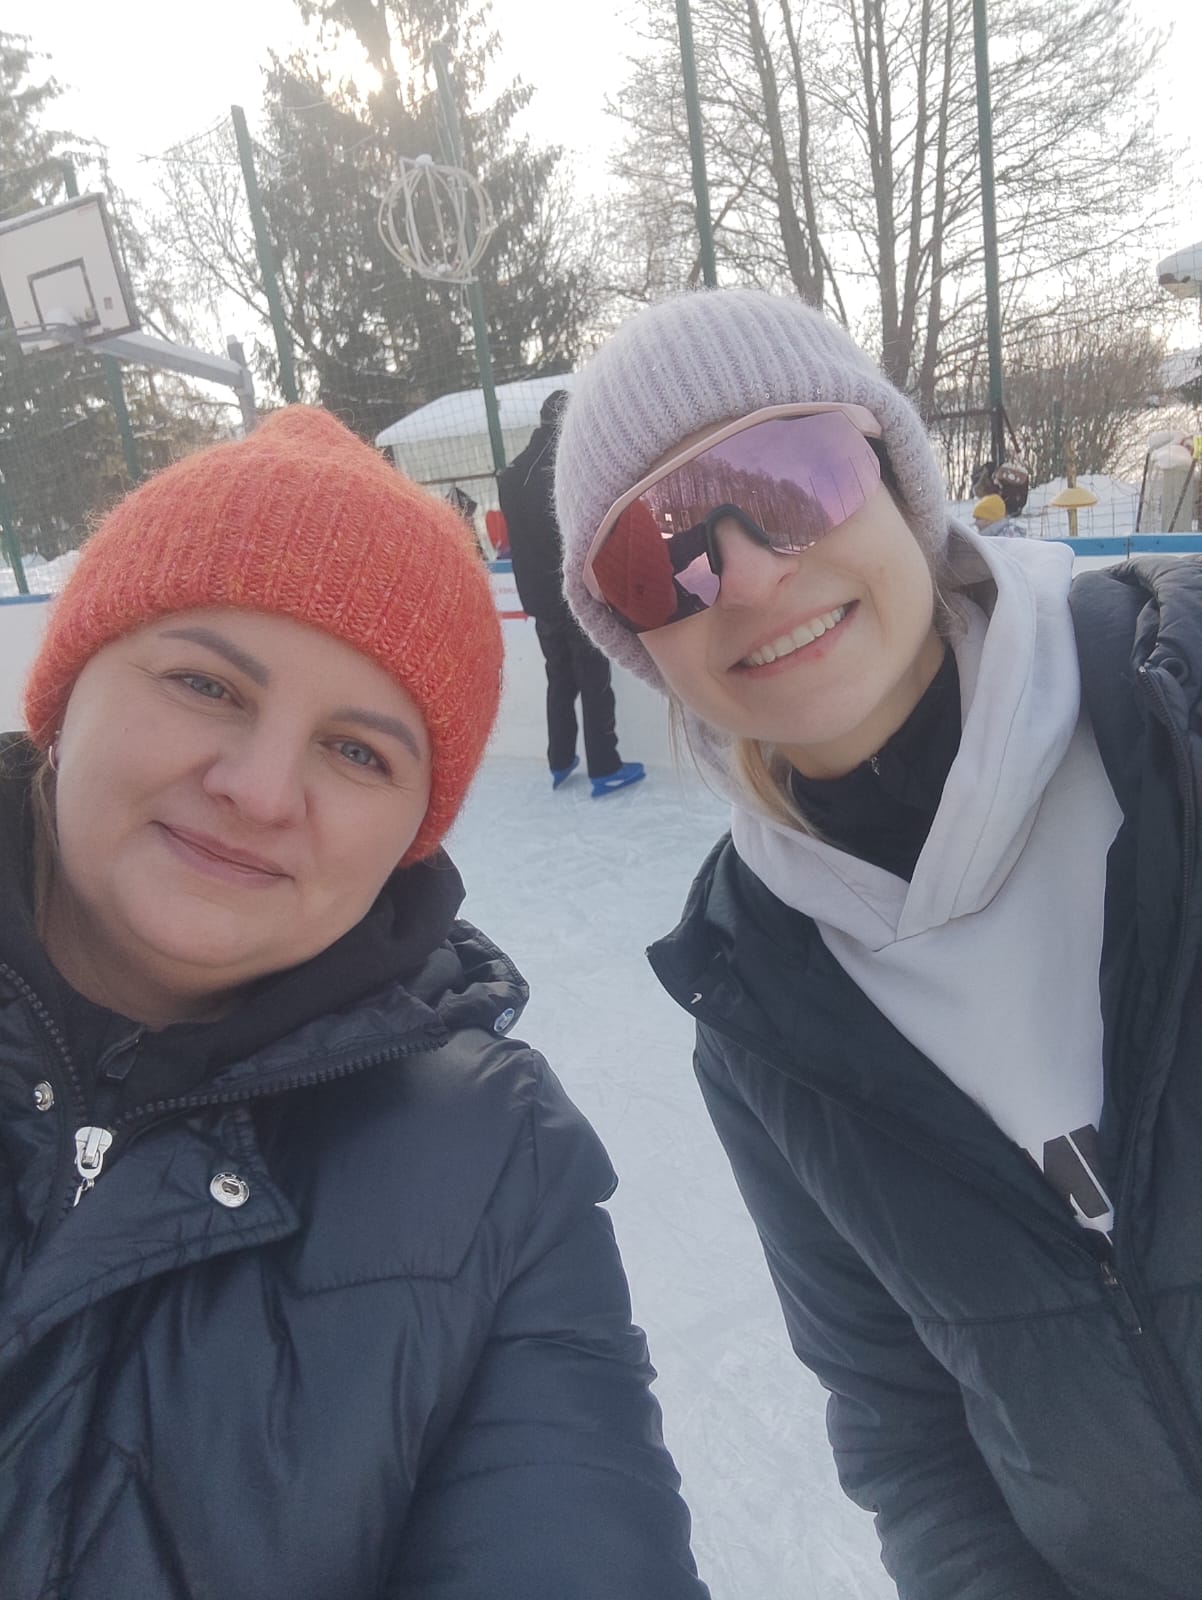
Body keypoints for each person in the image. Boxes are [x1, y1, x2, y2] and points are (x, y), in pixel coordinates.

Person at [553, 288, 1202, 1600]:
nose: (745, 573)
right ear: (638, 641)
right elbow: (904, 1429)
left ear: (899, 478)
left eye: (792, 476)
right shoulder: (752, 1005)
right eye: (658, 557)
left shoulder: (1177, 708)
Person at [0, 408, 708, 1600]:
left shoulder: (491, 1165)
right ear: (65, 696)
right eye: (204, 683)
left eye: (358, 752)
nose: (261, 789)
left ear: (409, 840)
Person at [497, 389, 644, 796]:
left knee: (559, 678)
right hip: (574, 595)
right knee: (594, 681)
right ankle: (605, 766)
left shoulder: (512, 474)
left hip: (539, 600)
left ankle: (560, 760)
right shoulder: (567, 467)